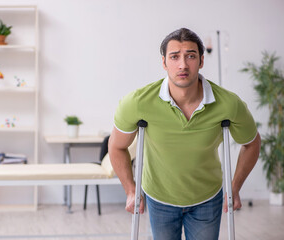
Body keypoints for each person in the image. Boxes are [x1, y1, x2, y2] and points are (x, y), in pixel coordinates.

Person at [108, 28, 261, 240]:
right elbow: (117, 146)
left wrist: (235, 188)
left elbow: (252, 143)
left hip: (207, 197)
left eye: (190, 56)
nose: (182, 64)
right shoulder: (138, 102)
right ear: (164, 63)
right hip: (159, 196)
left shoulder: (228, 104)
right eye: (174, 57)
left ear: (201, 61)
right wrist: (131, 190)